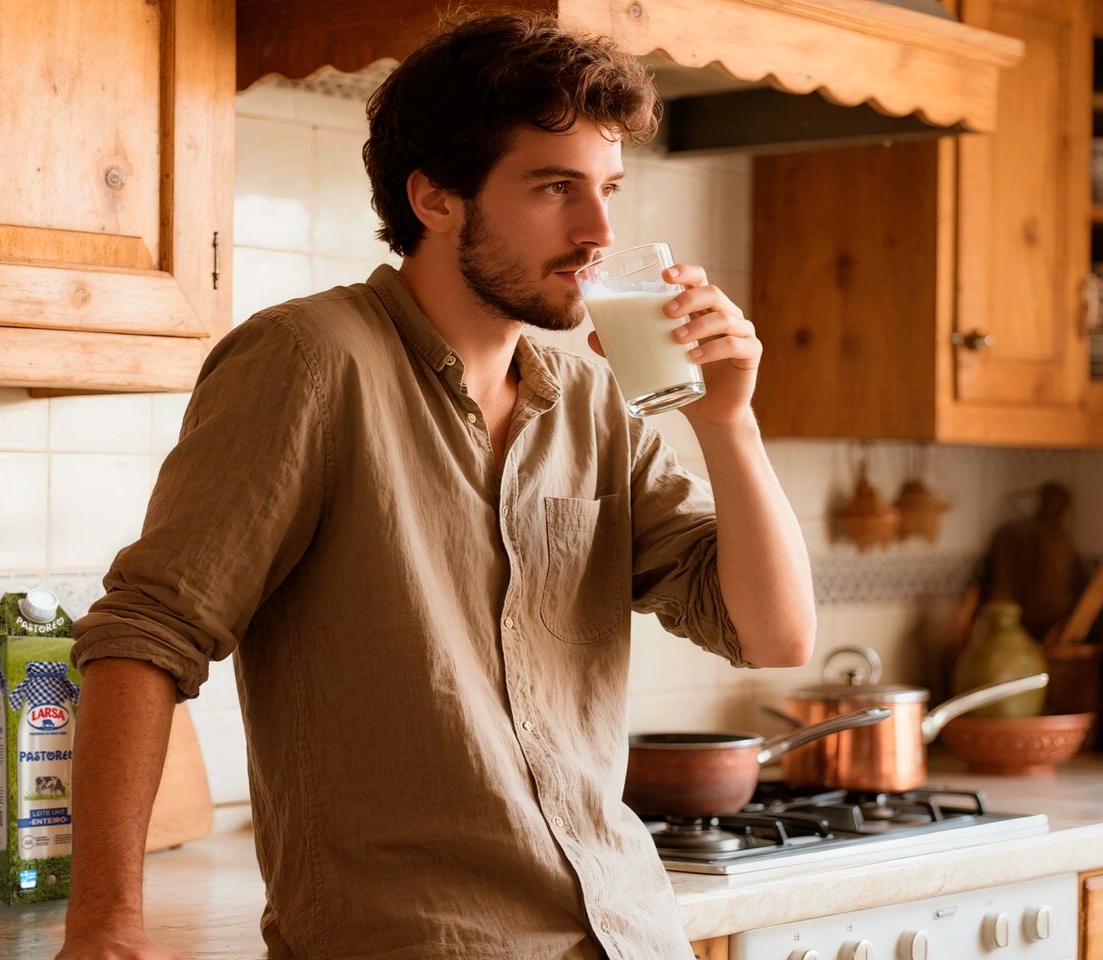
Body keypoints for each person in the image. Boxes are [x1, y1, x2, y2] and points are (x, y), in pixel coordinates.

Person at [55, 11, 815, 959]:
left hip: (628, 935)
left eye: (610, 189)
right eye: (554, 188)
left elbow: (773, 632)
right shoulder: (309, 361)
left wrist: (727, 420)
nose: (598, 231)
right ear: (436, 198)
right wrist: (105, 924)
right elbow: (146, 636)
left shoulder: (591, 395)